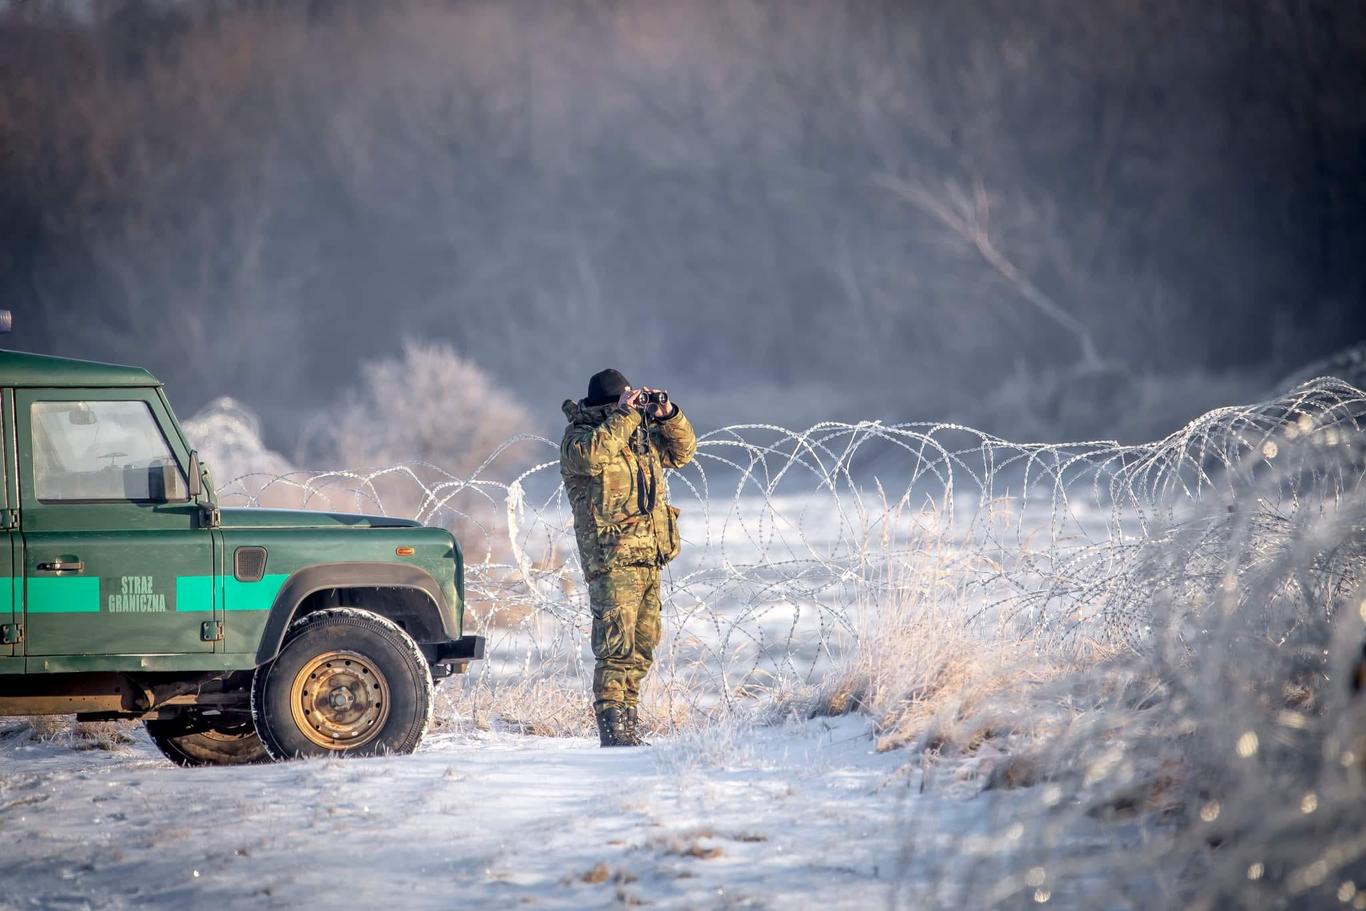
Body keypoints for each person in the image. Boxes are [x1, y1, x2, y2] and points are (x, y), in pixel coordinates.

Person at [560, 369, 697, 747]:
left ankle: (628, 725)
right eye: (623, 403)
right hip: (611, 559)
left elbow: (684, 452)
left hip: (649, 556)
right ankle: (613, 732)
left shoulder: (638, 436)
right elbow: (590, 459)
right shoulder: (581, 438)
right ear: (607, 406)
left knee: (642, 646)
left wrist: (668, 414)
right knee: (614, 648)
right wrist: (627, 415)